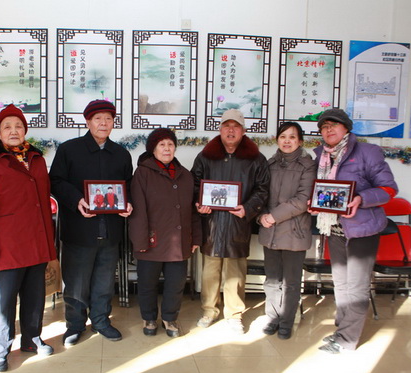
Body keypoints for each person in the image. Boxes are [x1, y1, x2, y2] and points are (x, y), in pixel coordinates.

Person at [0, 104, 57, 372]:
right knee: (3, 301)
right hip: (5, 243)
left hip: (36, 240)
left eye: (18, 126)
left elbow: (43, 203)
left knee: (35, 296)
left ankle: (32, 339)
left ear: (25, 130)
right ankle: (1, 349)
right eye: (7, 127)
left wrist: (48, 244)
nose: (13, 131)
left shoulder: (36, 158)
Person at [313, 108, 397, 354]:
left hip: (362, 228)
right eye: (324, 126)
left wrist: (361, 199)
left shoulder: (367, 152)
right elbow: (321, 189)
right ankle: (342, 331)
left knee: (357, 286)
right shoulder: (321, 156)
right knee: (341, 283)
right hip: (334, 227)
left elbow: (389, 189)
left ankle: (347, 341)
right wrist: (314, 202)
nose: (328, 129)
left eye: (333, 125)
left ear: (346, 128)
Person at [49, 99, 133, 346]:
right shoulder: (69, 150)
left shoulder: (121, 154)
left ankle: (101, 320)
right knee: (76, 282)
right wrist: (76, 200)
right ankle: (75, 325)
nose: (103, 123)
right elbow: (55, 181)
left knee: (104, 281)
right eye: (98, 119)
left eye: (108, 119)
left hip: (110, 230)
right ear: (88, 122)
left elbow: (128, 186)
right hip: (79, 228)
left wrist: (128, 203)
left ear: (113, 123)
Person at [191, 109, 270, 334]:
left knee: (236, 271)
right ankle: (209, 310)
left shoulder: (255, 159)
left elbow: (263, 189)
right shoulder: (206, 156)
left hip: (238, 223)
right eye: (227, 126)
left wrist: (247, 208)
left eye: (236, 126)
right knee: (210, 270)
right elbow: (194, 183)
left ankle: (234, 314)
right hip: (212, 223)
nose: (231, 130)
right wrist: (199, 203)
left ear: (243, 131)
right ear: (220, 129)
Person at [129, 128, 202, 338]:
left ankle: (170, 318)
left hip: (179, 241)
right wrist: (140, 240)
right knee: (147, 283)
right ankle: (149, 318)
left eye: (170, 144)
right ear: (153, 149)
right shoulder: (142, 173)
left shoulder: (185, 175)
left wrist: (196, 237)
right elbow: (138, 210)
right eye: (162, 145)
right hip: (151, 239)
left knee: (176, 284)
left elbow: (193, 210)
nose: (167, 148)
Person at [257, 122, 316, 340]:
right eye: (283, 136)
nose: (287, 141)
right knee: (272, 280)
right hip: (270, 230)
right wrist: (261, 215)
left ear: (300, 141)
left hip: (295, 232)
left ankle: (286, 321)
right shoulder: (269, 164)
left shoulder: (308, 165)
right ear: (277, 140)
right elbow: (260, 193)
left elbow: (302, 200)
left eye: (292, 137)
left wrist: (273, 216)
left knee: (291, 282)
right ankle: (272, 317)